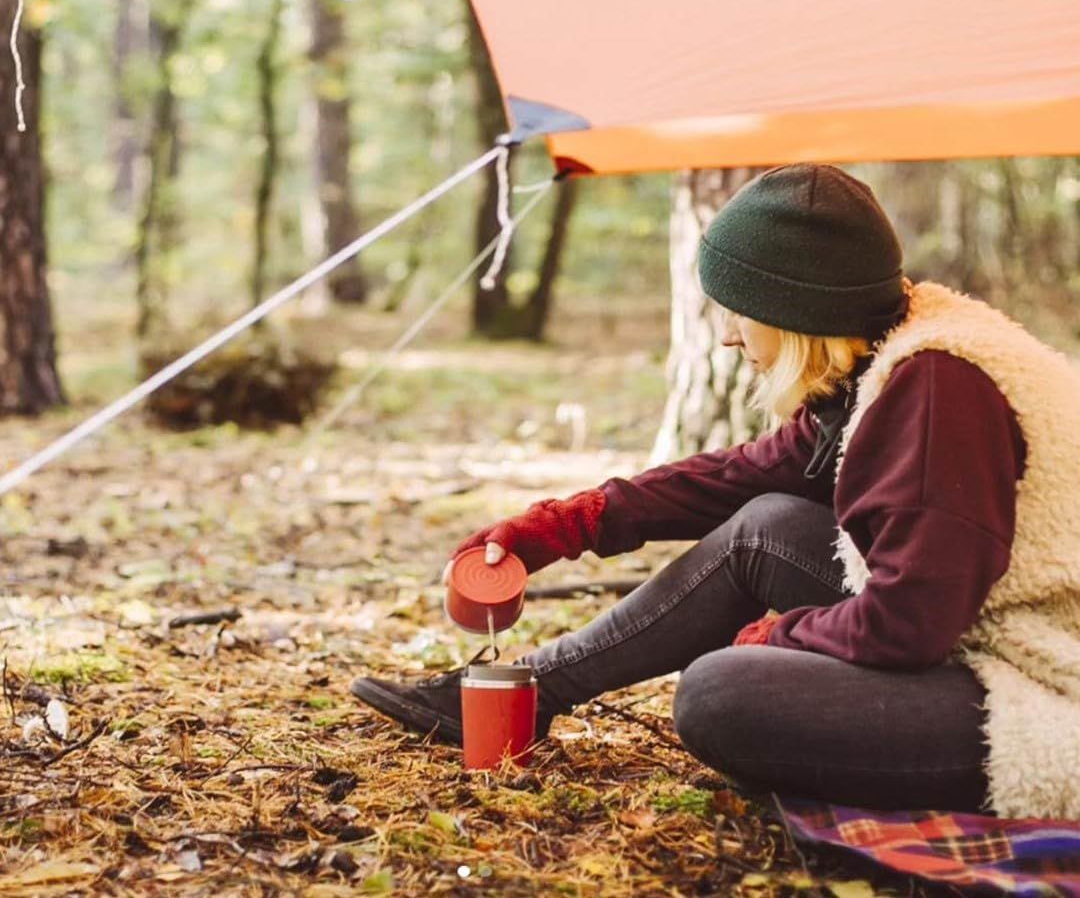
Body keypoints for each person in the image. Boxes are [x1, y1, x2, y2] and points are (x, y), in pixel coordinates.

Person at [351, 163, 1080, 819]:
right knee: (765, 524)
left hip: (1039, 689)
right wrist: (569, 524)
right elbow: (747, 474)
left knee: (719, 695)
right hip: (974, 623)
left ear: (794, 311)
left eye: (739, 311)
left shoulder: (935, 399)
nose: (730, 337)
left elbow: (909, 625)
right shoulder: (886, 352)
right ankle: (533, 688)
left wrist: (783, 633)